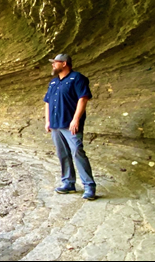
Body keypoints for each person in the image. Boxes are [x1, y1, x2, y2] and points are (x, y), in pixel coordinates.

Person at [43, 54, 97, 200]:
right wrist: (47, 121)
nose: (53, 65)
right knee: (63, 153)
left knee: (77, 151)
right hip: (55, 124)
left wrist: (75, 119)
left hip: (70, 124)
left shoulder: (77, 78)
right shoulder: (54, 82)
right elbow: (47, 102)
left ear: (64, 63)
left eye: (55, 62)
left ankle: (89, 186)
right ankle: (68, 183)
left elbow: (83, 98)